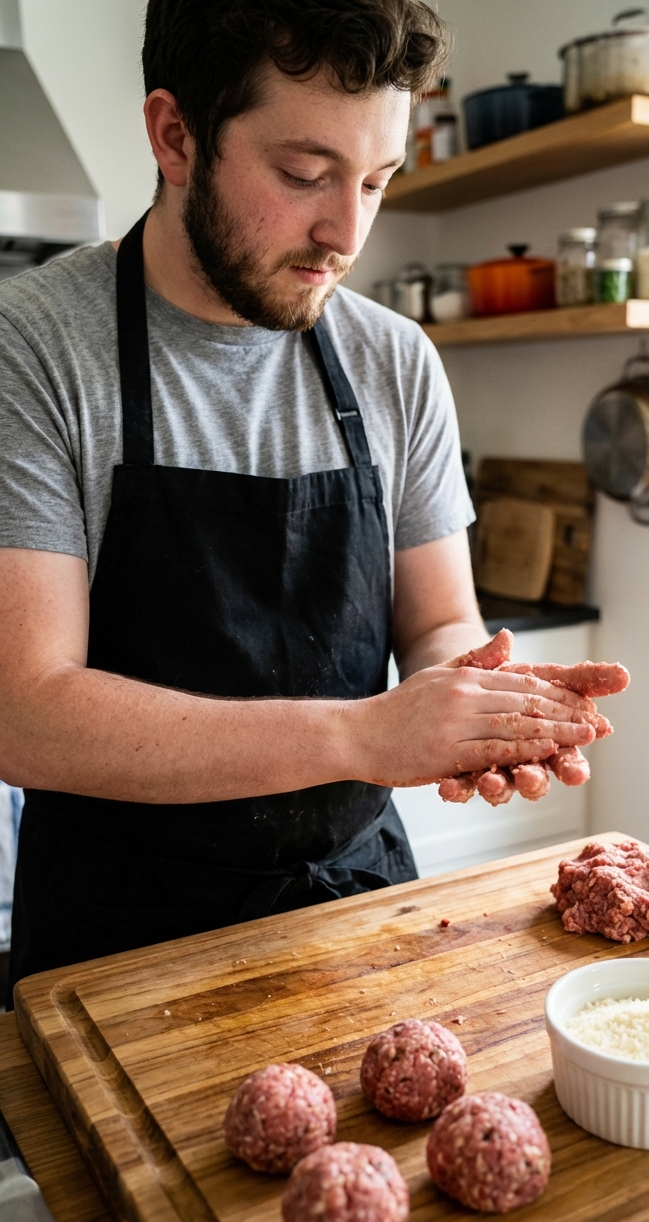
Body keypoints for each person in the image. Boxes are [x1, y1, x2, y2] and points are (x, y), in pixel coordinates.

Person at [0, 0, 609, 1004]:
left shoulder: (392, 357)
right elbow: (25, 710)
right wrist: (366, 734)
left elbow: (438, 615)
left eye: (375, 181)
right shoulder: (36, 346)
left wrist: (480, 701)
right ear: (175, 135)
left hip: (354, 904)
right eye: (304, 174)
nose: (345, 230)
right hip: (117, 942)